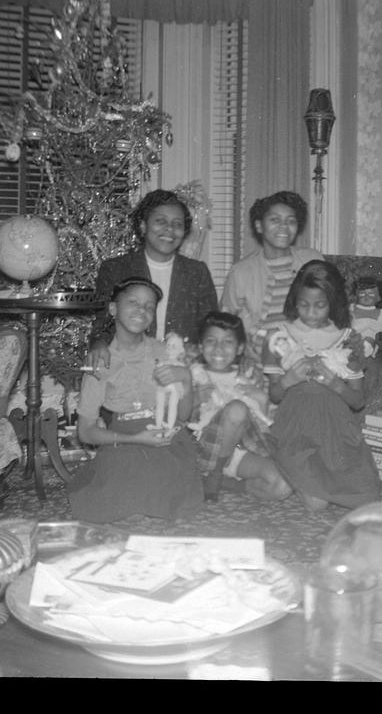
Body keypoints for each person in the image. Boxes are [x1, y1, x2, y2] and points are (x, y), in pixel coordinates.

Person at [261, 260, 382, 512]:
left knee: (365, 495)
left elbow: (358, 401)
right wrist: (288, 379)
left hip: (336, 434)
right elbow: (274, 395)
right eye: (303, 304)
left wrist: (335, 384)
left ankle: (303, 477)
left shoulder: (349, 339)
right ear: (294, 300)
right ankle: (290, 473)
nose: (311, 313)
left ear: (333, 302)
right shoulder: (279, 337)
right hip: (296, 430)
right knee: (317, 503)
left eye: (320, 305)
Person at [67, 277, 204, 522]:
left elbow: (183, 416)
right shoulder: (101, 361)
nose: (142, 310)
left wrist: (185, 379)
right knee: (128, 471)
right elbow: (86, 432)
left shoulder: (164, 351)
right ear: (113, 309)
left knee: (165, 469)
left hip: (166, 434)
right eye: (133, 302)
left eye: (149, 306)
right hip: (124, 438)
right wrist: (134, 439)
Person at [87, 189, 218, 371]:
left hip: (183, 369)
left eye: (177, 224)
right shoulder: (116, 269)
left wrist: (198, 353)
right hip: (131, 367)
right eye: (160, 221)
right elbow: (104, 319)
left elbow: (210, 326)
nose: (169, 229)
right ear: (143, 226)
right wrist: (99, 342)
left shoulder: (197, 272)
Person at [187, 311, 292, 503]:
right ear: (201, 346)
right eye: (211, 341)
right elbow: (181, 420)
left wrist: (261, 398)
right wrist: (193, 399)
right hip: (202, 450)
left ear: (239, 348)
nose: (218, 348)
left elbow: (261, 423)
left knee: (282, 486)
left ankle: (221, 481)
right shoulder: (193, 375)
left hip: (236, 449)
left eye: (227, 342)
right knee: (237, 408)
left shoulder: (247, 376)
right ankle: (214, 474)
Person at [220, 191, 323, 366]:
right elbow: (224, 324)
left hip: (310, 357)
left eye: (291, 221)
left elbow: (335, 308)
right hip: (260, 361)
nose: (284, 227)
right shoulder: (241, 272)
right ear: (259, 226)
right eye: (275, 220)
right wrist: (244, 349)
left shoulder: (313, 261)